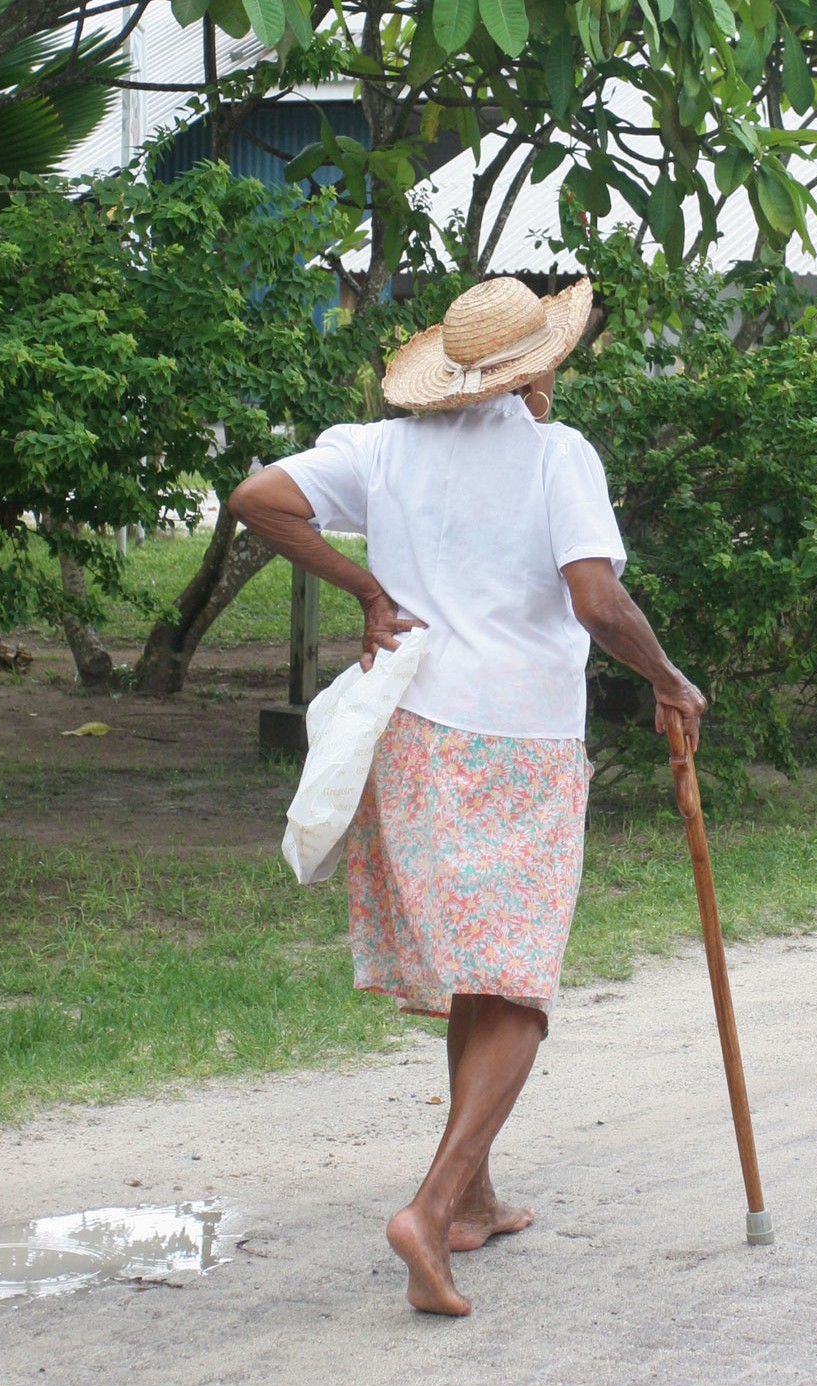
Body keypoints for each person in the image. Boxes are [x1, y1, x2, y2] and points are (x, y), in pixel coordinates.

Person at [228, 275, 707, 1318]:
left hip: (414, 737)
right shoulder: (556, 456)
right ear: (537, 371)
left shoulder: (380, 451)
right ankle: (429, 1203)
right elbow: (596, 598)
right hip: (519, 742)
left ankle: (473, 1198)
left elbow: (257, 497)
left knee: (478, 978)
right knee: (520, 990)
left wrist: (366, 592)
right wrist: (667, 679)